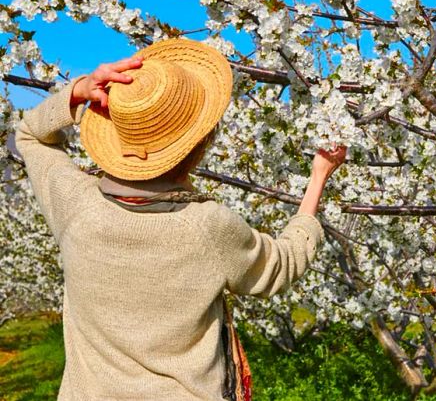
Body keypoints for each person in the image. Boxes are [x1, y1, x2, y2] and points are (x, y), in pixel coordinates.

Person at [13, 38, 347, 400]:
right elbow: (281, 265)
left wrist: (78, 90)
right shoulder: (206, 226)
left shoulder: (74, 204)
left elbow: (29, 135)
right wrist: (318, 178)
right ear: (199, 142)